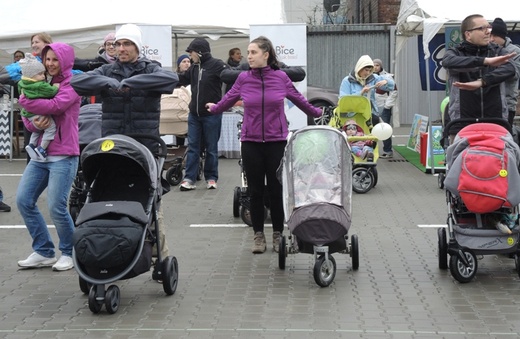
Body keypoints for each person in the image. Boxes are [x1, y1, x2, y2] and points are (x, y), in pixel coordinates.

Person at [71, 23, 178, 261]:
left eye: (126, 43)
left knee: (151, 202)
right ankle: (109, 248)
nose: (121, 48)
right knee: (107, 196)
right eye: (117, 44)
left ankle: (160, 255)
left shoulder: (152, 68)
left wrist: (132, 83)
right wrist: (109, 84)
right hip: (113, 148)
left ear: (137, 47)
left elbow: (171, 80)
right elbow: (77, 84)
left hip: (144, 147)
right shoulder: (106, 72)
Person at [206, 36, 322, 254]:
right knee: (255, 191)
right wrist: (214, 108)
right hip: (251, 142)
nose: (248, 56)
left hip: (276, 142)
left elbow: (299, 99)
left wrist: (317, 112)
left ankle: (278, 233)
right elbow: (228, 99)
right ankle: (258, 235)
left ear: (266, 54)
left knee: (277, 190)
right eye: (248, 53)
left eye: (253, 52)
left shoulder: (280, 78)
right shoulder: (243, 79)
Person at [16, 42, 81, 271]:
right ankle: (43, 251)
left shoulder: (72, 82)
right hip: (40, 156)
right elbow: (28, 118)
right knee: (23, 201)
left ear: (64, 61)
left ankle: (69, 252)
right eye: (47, 59)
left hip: (64, 154)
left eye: (55, 59)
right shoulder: (40, 81)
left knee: (56, 207)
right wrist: (32, 121)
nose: (51, 64)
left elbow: (56, 105)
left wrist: (23, 99)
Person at [442, 14, 517, 136]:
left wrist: (482, 82)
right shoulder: (456, 52)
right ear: (468, 34)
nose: (488, 32)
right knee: (461, 155)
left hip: (496, 123)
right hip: (462, 124)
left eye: (489, 28)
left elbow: (511, 68)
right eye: (482, 28)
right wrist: (485, 61)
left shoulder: (498, 51)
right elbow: (448, 62)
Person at [178, 38, 227, 191]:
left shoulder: (218, 65)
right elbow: (180, 79)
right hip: (194, 114)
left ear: (199, 52)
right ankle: (189, 179)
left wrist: (225, 101)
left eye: (191, 52)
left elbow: (232, 79)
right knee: (193, 147)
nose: (189, 55)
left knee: (211, 148)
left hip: (212, 114)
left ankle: (211, 178)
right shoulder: (193, 67)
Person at [18, 53, 59, 160]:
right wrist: (56, 86)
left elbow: (22, 97)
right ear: (31, 76)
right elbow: (51, 91)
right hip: (39, 113)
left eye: (43, 73)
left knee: (37, 130)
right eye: (40, 74)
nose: (43, 76)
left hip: (28, 114)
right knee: (51, 128)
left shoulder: (22, 83)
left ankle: (31, 145)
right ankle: (42, 148)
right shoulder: (40, 85)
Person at [339, 55, 394, 127]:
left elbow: (392, 86)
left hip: (370, 116)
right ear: (359, 68)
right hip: (352, 117)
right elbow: (343, 100)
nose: (368, 73)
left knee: (376, 136)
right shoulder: (347, 81)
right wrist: (361, 93)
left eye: (370, 71)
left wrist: (386, 81)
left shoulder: (372, 78)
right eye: (366, 70)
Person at [490, 18, 520, 126]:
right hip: (489, 104)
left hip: (507, 103)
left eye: (495, 36)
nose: (491, 39)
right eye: (490, 36)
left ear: (502, 36)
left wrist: (496, 64)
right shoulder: (487, 50)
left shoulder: (515, 51)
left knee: (504, 137)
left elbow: (515, 74)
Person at [373, 58, 398, 159]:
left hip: (384, 107)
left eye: (377, 65)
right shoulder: (368, 77)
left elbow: (394, 91)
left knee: (385, 129)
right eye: (373, 65)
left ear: (381, 66)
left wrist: (387, 106)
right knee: (371, 129)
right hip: (372, 107)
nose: (375, 67)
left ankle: (388, 151)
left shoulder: (387, 77)